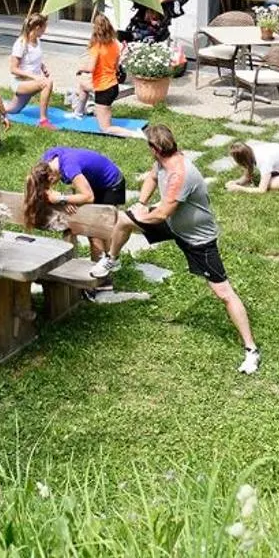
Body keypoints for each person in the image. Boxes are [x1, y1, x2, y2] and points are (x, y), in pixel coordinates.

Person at [93, 124, 260, 375]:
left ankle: (251, 350)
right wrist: (140, 203)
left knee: (223, 292)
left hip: (197, 239)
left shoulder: (181, 174)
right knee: (124, 220)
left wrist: (143, 213)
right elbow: (151, 178)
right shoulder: (162, 161)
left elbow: (160, 214)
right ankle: (112, 259)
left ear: (155, 148)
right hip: (173, 225)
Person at [21, 146, 128, 230]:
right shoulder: (47, 160)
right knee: (91, 233)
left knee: (100, 228)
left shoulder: (70, 168)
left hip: (111, 184)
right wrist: (66, 199)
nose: (51, 188)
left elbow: (89, 197)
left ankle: (109, 256)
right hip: (91, 182)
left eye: (49, 185)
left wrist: (61, 198)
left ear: (51, 177)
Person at [72, 15, 124, 133]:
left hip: (104, 90)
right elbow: (116, 68)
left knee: (105, 128)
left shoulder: (97, 47)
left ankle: (135, 134)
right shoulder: (115, 44)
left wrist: (80, 68)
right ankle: (78, 113)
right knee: (83, 85)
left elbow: (90, 68)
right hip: (113, 87)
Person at [4, 14, 55, 129]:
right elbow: (13, 69)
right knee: (47, 83)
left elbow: (33, 60)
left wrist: (43, 67)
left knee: (13, 109)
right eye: (44, 28)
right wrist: (35, 77)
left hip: (31, 82)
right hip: (20, 83)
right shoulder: (21, 44)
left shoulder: (37, 41)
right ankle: (43, 121)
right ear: (37, 28)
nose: (45, 31)